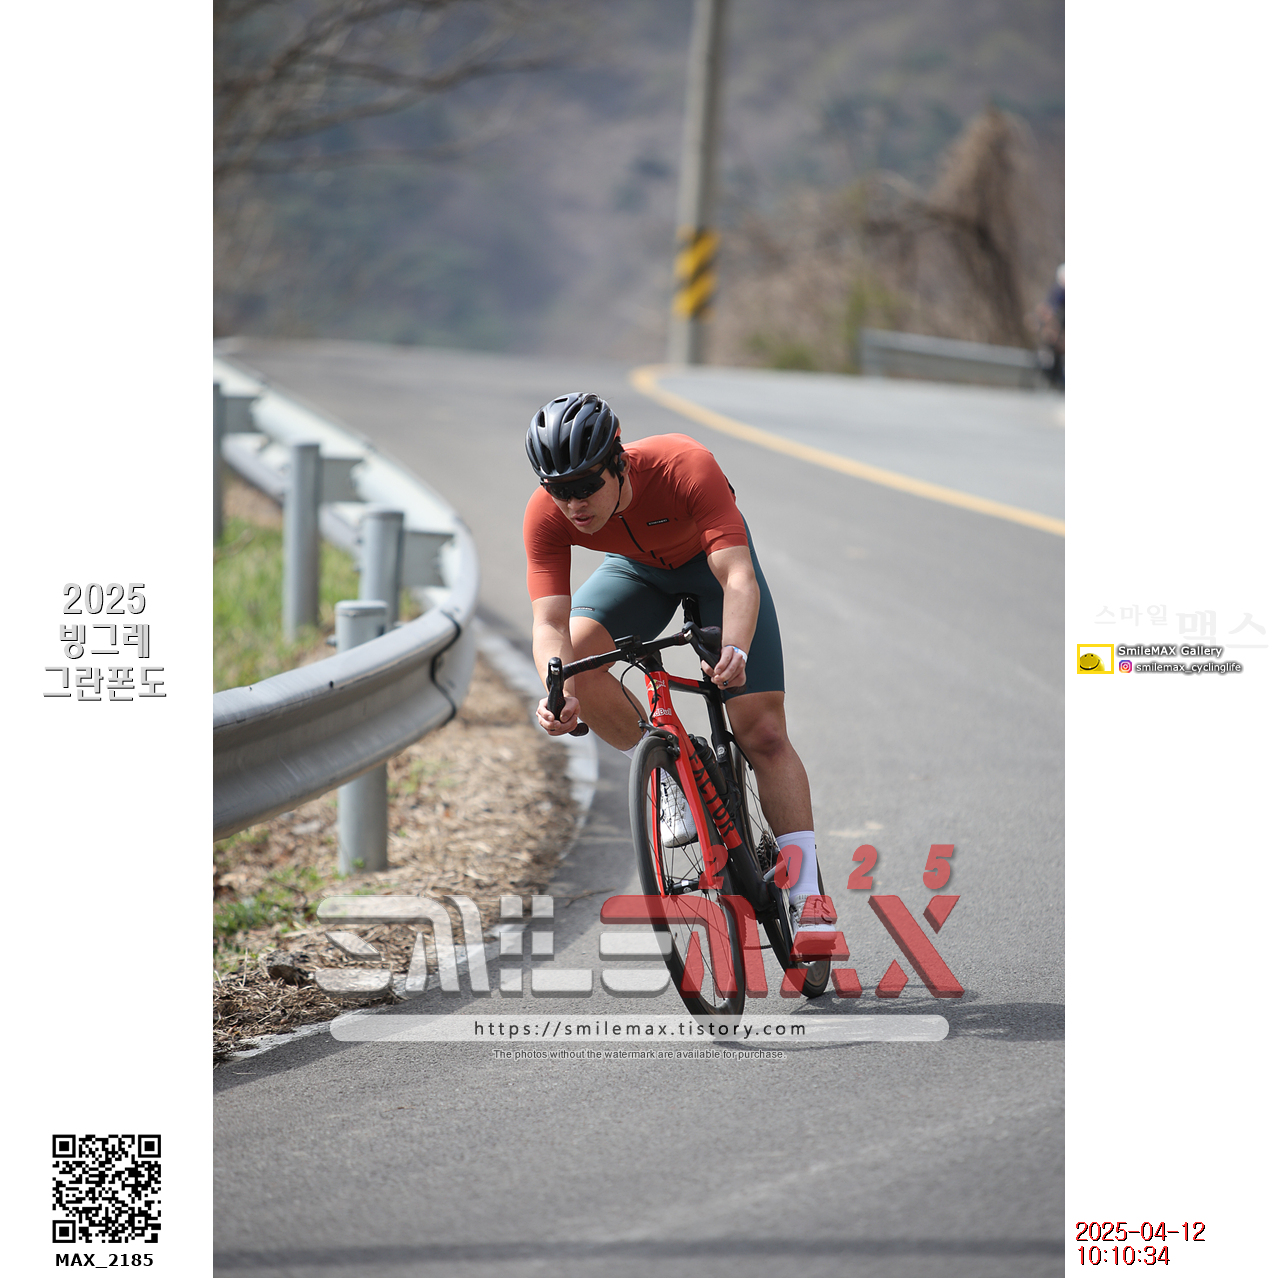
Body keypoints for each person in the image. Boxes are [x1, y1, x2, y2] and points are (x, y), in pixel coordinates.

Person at [522, 391, 835, 953]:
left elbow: (737, 577)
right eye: (558, 489)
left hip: (713, 569)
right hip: (635, 573)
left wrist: (735, 649)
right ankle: (668, 774)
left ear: (618, 461)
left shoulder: (684, 465)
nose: (573, 504)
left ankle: (808, 894)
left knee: (762, 730)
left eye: (586, 485)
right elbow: (549, 622)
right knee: (581, 667)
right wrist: (557, 688)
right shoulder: (546, 513)